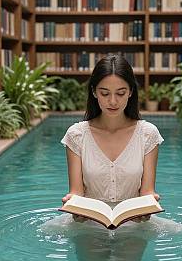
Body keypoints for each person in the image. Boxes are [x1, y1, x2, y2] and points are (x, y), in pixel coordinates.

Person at [60, 54, 164, 223]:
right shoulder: (77, 135)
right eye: (105, 93)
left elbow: (147, 192)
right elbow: (76, 193)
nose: (113, 101)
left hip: (134, 225)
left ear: (130, 92)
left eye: (120, 93)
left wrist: (150, 204)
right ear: (94, 92)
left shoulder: (147, 134)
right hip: (88, 224)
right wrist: (73, 205)